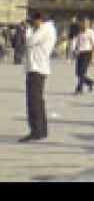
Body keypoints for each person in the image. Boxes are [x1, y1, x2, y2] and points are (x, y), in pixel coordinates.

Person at [20, 13, 57, 142]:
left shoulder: (45, 29)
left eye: (34, 21)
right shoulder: (45, 29)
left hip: (37, 68)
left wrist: (28, 30)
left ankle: (36, 130)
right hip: (36, 67)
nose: (33, 24)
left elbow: (30, 41)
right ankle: (41, 130)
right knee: (38, 101)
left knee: (33, 101)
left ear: (39, 20)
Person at [72, 18, 94, 95]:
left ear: (88, 24)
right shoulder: (79, 32)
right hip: (80, 53)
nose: (83, 25)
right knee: (77, 73)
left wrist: (93, 56)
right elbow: (77, 42)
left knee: (82, 72)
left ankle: (79, 89)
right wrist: (75, 51)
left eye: (85, 23)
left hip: (87, 53)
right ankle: (90, 82)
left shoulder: (91, 33)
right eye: (82, 23)